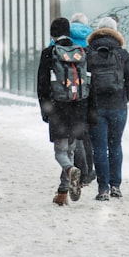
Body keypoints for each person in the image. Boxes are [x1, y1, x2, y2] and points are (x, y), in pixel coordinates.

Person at [38, 17, 91, 206]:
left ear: (52, 34)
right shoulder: (81, 53)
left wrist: (45, 110)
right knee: (70, 148)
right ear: (68, 32)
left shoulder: (49, 53)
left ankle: (70, 171)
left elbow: (42, 85)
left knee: (60, 153)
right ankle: (62, 192)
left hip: (59, 107)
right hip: (78, 106)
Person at [86, 16, 129, 201]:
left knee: (99, 147)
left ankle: (103, 189)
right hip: (118, 107)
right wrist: (124, 97)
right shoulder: (122, 54)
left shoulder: (88, 53)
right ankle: (116, 186)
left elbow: (84, 80)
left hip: (96, 108)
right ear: (115, 31)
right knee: (115, 145)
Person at [68, 12, 95, 185]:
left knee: (72, 134)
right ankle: (87, 172)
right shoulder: (91, 39)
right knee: (86, 134)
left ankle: (76, 167)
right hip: (86, 91)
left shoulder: (61, 42)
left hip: (67, 92)